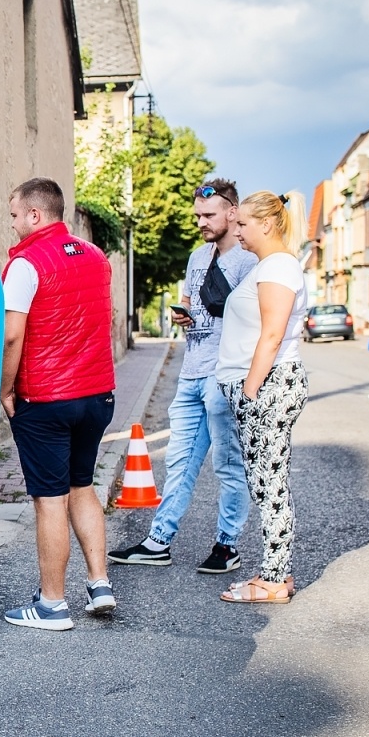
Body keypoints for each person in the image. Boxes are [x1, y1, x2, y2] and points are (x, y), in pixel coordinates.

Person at [111, 180, 255, 573]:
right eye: (197, 216)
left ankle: (227, 546)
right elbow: (192, 301)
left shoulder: (249, 260)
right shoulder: (197, 257)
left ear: (232, 212)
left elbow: (257, 318)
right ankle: (159, 541)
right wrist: (183, 313)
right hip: (191, 371)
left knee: (227, 463)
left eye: (209, 215)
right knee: (179, 461)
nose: (201, 222)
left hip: (224, 374)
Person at [0, 177, 117, 631]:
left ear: (34, 214)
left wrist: (5, 390)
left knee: (50, 501)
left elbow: (12, 334)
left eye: (14, 215)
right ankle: (99, 582)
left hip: (46, 398)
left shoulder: (26, 264)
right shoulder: (95, 257)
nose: (12, 224)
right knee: (82, 486)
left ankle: (51, 604)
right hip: (96, 394)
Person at [215, 192, 309, 603]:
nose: (237, 231)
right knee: (265, 481)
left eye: (244, 224)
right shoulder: (268, 267)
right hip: (262, 385)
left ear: (267, 225)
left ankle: (272, 580)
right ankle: (276, 572)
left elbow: (272, 334)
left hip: (268, 385)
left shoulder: (279, 267)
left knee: (269, 483)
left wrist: (250, 390)